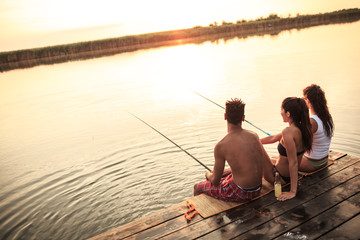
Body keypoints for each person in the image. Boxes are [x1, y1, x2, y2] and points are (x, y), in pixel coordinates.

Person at [193, 98, 264, 202]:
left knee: (197, 186)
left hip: (241, 193)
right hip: (257, 188)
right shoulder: (254, 136)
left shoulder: (221, 145)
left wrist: (207, 174)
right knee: (225, 174)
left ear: (225, 116)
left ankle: (202, 212)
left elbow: (215, 180)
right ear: (243, 118)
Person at [260, 97, 312, 201]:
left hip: (277, 177)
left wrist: (293, 191)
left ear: (288, 113)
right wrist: (256, 139)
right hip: (286, 175)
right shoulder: (303, 128)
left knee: (256, 147)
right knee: (258, 146)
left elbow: (293, 163)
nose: (280, 112)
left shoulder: (288, 131)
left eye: (282, 110)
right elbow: (273, 138)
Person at [299, 84, 334, 172]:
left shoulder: (313, 122)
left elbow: (299, 141)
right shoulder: (327, 117)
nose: (303, 101)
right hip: (324, 160)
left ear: (309, 102)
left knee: (274, 162)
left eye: (304, 99)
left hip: (313, 163)